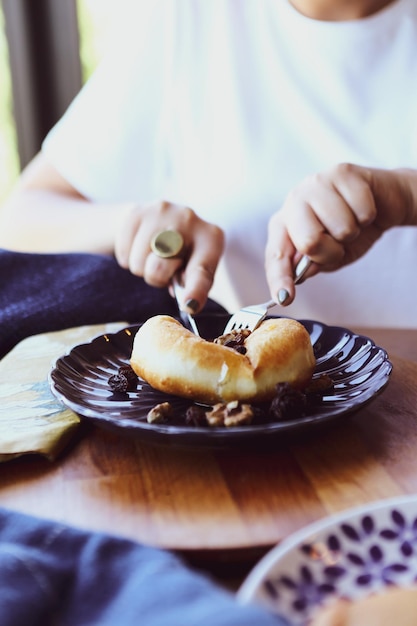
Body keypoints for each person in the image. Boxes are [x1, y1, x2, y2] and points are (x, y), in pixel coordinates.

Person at [1, 0, 417, 328]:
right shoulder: (192, 17)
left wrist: (405, 197)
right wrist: (131, 224)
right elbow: (22, 216)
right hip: (244, 416)